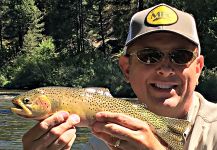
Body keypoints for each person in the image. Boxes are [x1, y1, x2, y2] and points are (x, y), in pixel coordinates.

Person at [22, 3, 217, 150]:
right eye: (149, 56)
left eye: (180, 56)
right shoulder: (104, 136)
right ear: (126, 69)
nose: (165, 69)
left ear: (198, 68)